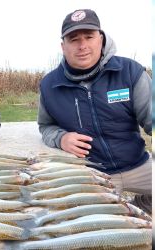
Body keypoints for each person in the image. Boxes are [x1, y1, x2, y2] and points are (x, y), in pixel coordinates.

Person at [38, 9, 152, 214]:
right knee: (92, 224)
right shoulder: (49, 85)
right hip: (93, 174)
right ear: (63, 47)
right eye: (74, 39)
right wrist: (61, 138)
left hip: (139, 165)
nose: (82, 46)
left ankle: (143, 203)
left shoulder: (131, 72)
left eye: (89, 37)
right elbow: (45, 126)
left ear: (101, 39)